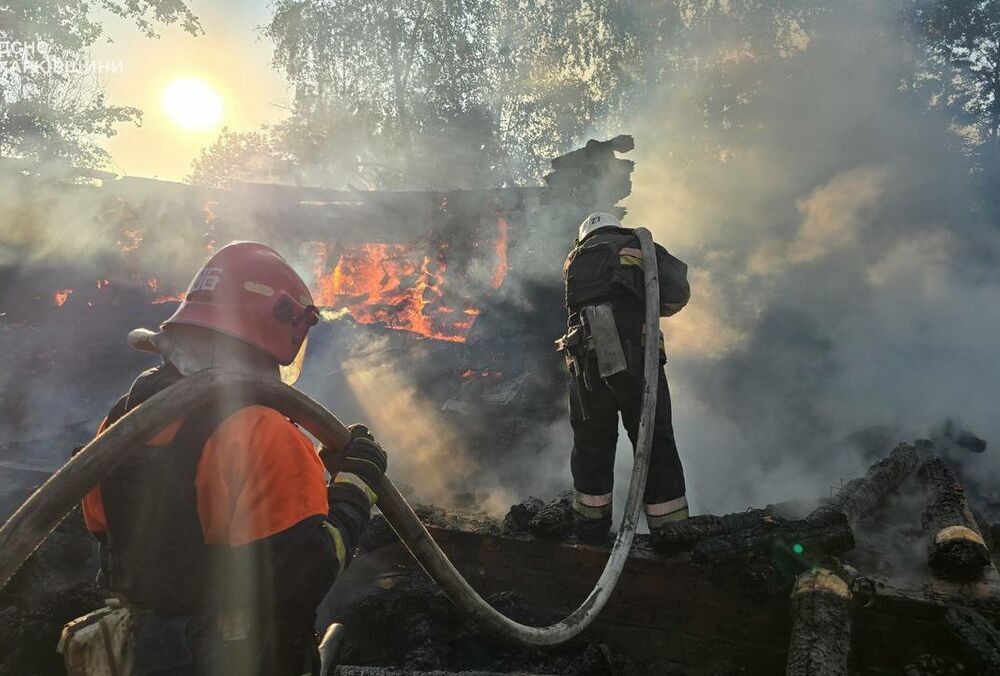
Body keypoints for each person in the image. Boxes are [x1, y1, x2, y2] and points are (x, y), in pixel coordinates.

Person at [78, 241, 385, 675]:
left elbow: (101, 529)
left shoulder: (125, 416)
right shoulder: (261, 430)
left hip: (143, 651)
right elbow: (305, 574)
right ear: (281, 327)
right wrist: (356, 485)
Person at [558, 212, 690, 544]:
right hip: (637, 364)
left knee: (591, 445)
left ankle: (590, 529)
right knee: (653, 442)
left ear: (582, 236)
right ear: (616, 225)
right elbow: (676, 295)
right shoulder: (639, 244)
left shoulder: (574, 259)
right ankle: (669, 532)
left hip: (585, 368)